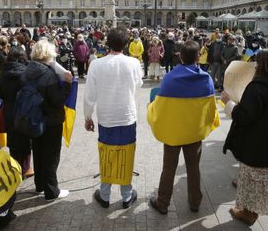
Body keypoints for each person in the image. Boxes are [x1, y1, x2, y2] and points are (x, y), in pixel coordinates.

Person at [221, 50, 268, 226]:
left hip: (255, 143)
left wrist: (229, 104)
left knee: (250, 180)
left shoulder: (257, 87)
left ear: (262, 66)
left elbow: (244, 117)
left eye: (256, 64)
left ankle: (248, 213)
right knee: (263, 179)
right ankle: (251, 211)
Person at [147, 41, 219, 214]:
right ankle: (195, 202)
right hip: (194, 133)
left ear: (180, 56)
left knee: (169, 168)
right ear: (197, 57)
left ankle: (162, 203)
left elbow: (159, 107)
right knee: (193, 168)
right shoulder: (206, 79)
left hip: (173, 133)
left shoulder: (170, 78)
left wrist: (149, 108)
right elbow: (211, 109)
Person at [84, 26, 142, 209]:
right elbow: (139, 84)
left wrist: (87, 116)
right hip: (127, 116)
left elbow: (89, 95)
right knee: (126, 154)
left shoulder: (96, 64)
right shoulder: (133, 63)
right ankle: (126, 195)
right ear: (126, 44)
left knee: (107, 154)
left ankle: (105, 194)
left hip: (106, 117)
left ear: (107, 43)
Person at [24, 40, 72, 201]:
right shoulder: (48, 74)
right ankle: (52, 191)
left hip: (34, 117)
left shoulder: (29, 69)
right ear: (48, 54)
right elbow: (57, 100)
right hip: (50, 119)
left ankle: (39, 185)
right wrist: (67, 84)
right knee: (51, 155)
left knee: (38, 152)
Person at [0, 47, 34, 178]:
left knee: (13, 139)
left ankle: (15, 169)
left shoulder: (2, 73)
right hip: (24, 111)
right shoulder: (27, 73)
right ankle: (25, 168)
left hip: (9, 110)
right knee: (26, 140)